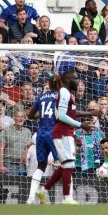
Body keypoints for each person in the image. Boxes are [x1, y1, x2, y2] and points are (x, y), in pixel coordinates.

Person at [35, 71, 97, 205]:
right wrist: (81, 125)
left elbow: (71, 114)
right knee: (69, 164)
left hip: (66, 132)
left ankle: (44, 190)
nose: (78, 81)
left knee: (66, 165)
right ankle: (67, 198)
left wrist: (89, 114)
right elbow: (61, 116)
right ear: (68, 80)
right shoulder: (63, 91)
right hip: (62, 132)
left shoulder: (68, 94)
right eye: (76, 79)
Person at [25, 76, 61, 204]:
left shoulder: (41, 96)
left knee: (41, 166)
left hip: (40, 133)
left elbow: (29, 116)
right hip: (53, 133)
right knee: (65, 164)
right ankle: (69, 197)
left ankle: (30, 198)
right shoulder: (59, 96)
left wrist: (42, 114)